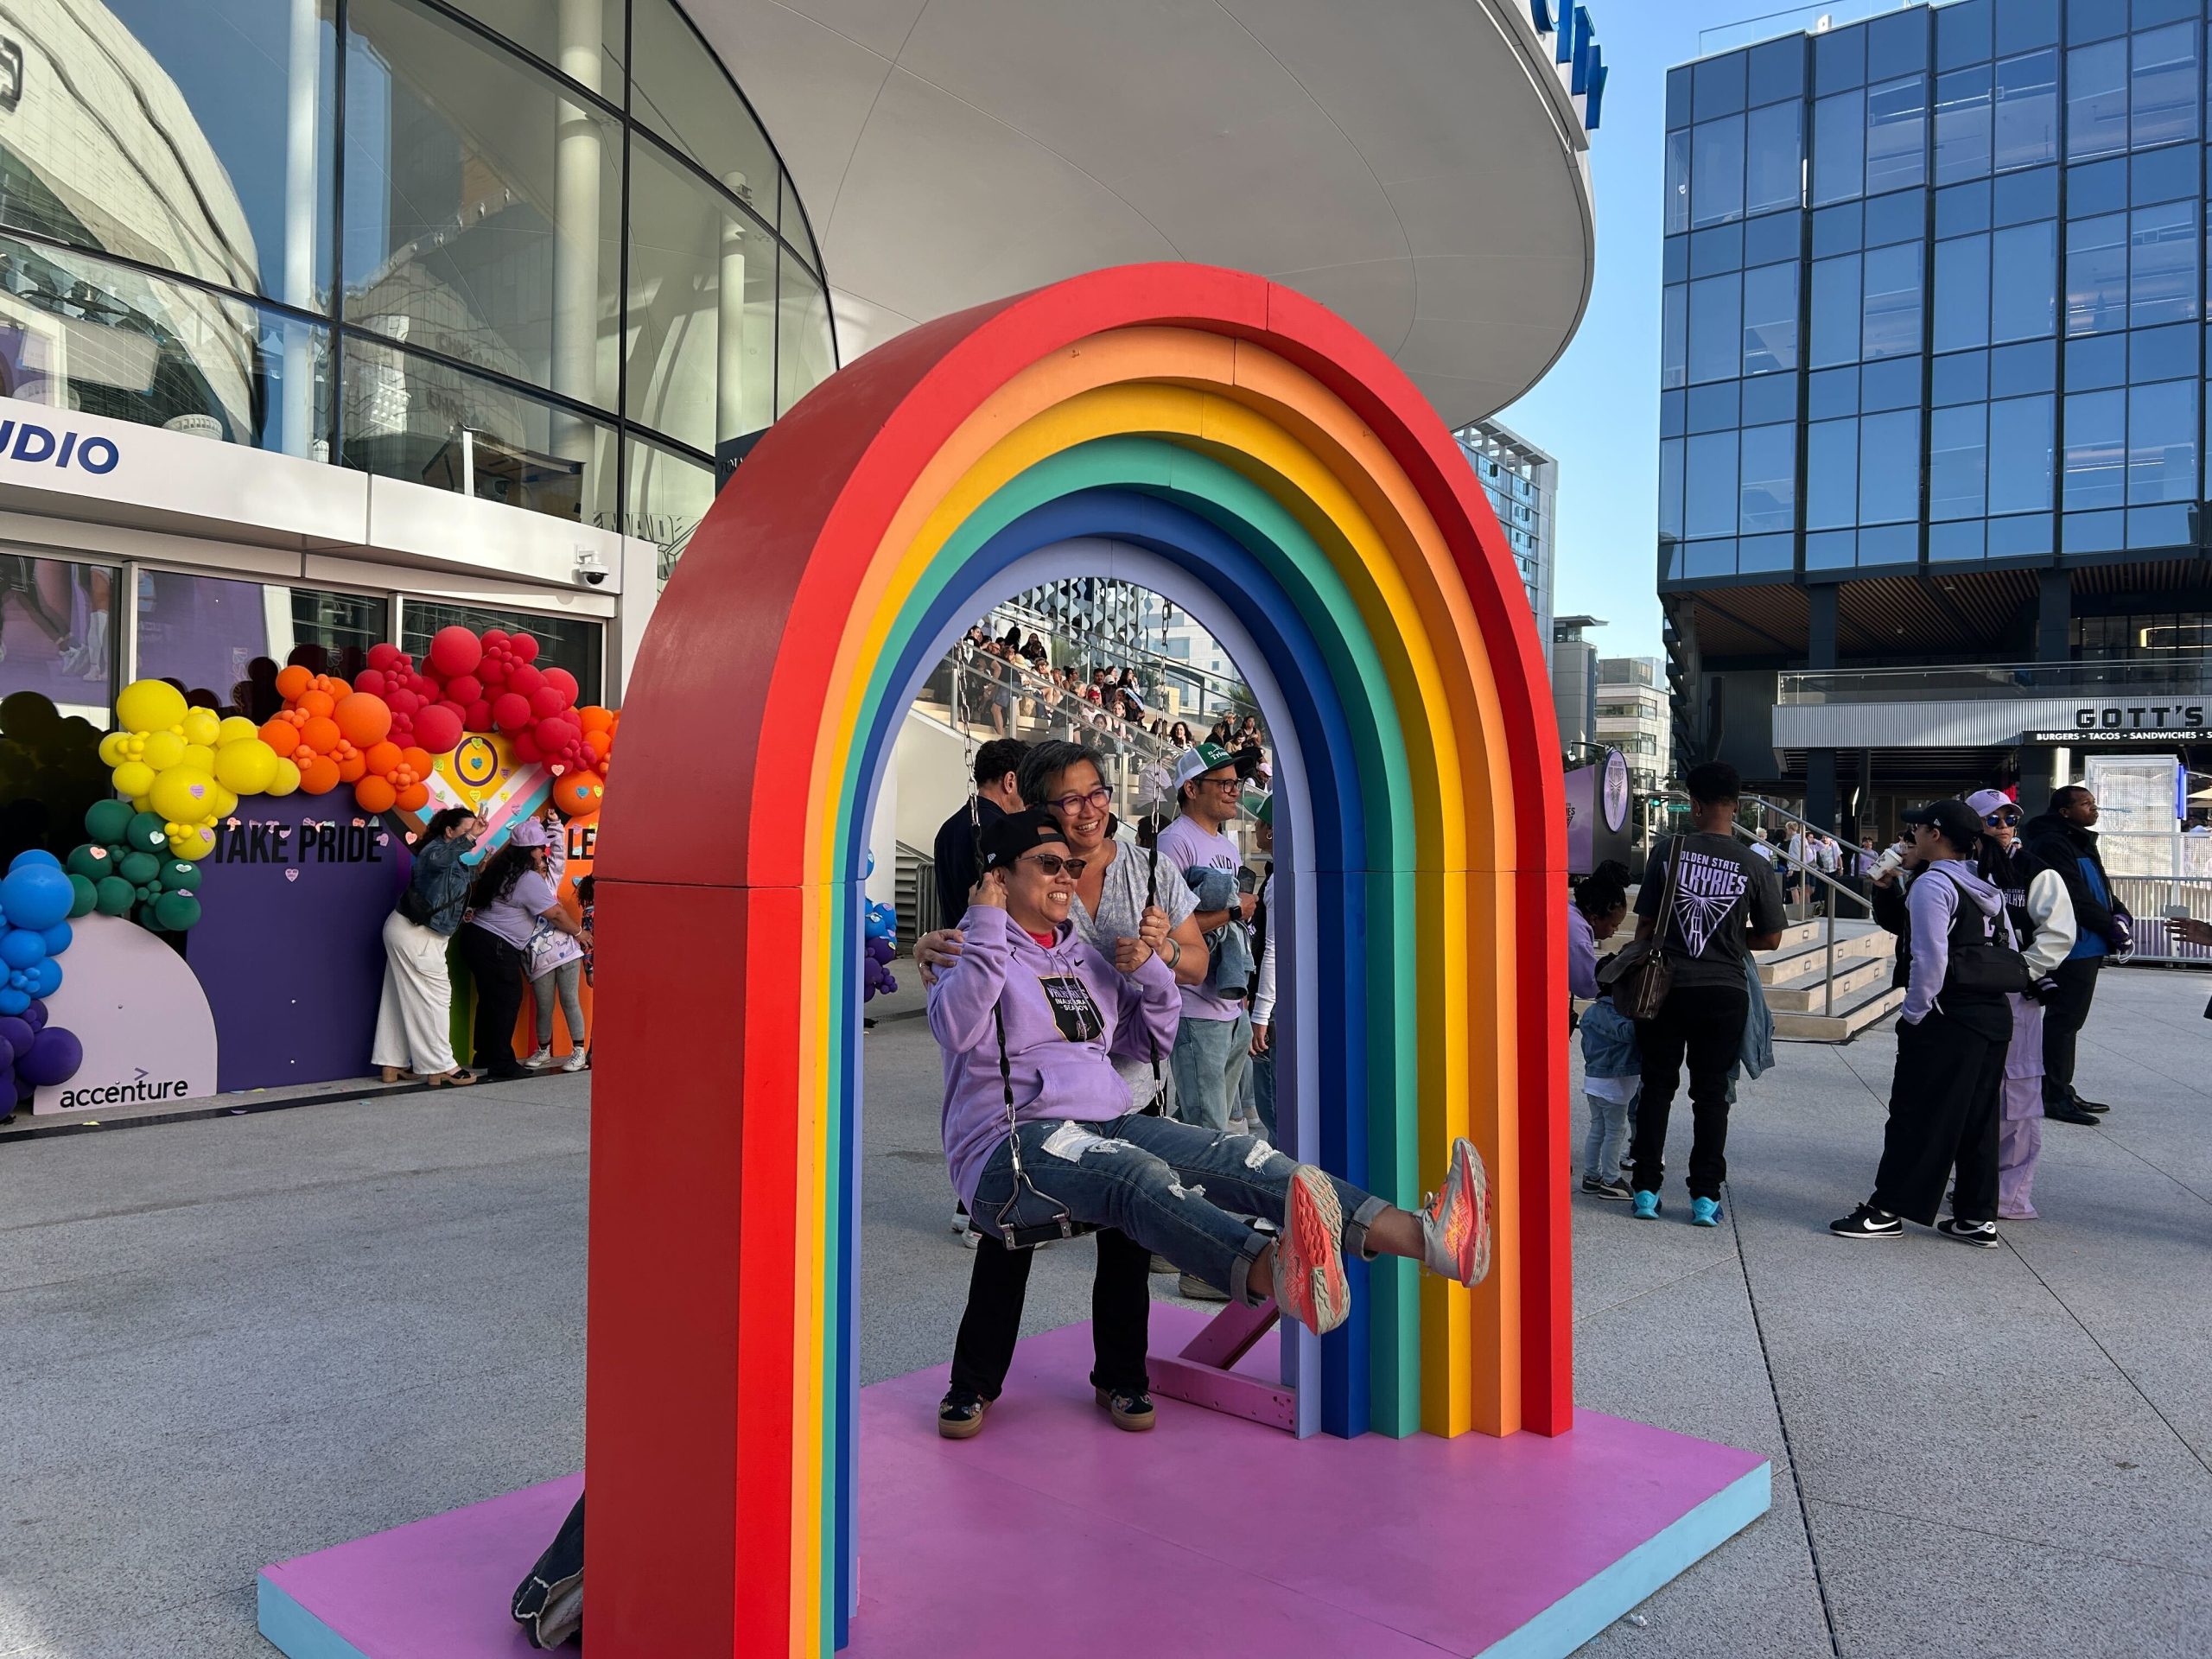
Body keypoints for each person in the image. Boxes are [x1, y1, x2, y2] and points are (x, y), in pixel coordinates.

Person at [926, 807, 1491, 1436]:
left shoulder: (1082, 959)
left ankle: (1430, 1238)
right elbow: (955, 1027)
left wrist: (1149, 973)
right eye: (1050, 866)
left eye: (1074, 866)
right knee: (1137, 1176)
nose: (1066, 877)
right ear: (999, 877)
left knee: (1243, 1156)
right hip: (1011, 1148)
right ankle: (1273, 1272)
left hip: (1104, 1120)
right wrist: (983, 920)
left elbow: (1149, 1041)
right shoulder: (967, 948)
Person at [918, 746, 1214, 1421]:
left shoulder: (1149, 870)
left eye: (1099, 792)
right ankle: (975, 1382)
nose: (1091, 809)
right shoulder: (1025, 864)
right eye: (1071, 799)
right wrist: (932, 947)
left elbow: (1196, 963)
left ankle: (1121, 1375)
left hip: (1124, 1087)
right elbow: (975, 944)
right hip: (1034, 1106)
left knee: (1127, 1241)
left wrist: (1160, 953)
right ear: (1042, 810)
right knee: (1007, 1240)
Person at [1831, 798, 2018, 1245]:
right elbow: (2010, 940)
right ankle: (1976, 1216)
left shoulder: (1935, 884)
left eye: (1917, 830)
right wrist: (1887, 885)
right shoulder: (1980, 881)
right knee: (1977, 1118)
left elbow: (1928, 958)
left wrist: (1914, 1014)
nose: (1909, 836)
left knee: (1916, 1113)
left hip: (1947, 1016)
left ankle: (1887, 1209)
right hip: (1991, 1012)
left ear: (1936, 835)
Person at [1627, 761, 1785, 1226]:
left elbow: (1645, 927)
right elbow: (1774, 938)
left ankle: (1646, 1191)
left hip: (1666, 988)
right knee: (1713, 1095)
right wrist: (1732, 940)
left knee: (1657, 1087)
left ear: (1693, 805)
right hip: (1725, 991)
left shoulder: (1668, 851)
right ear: (1735, 805)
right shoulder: (1755, 864)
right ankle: (1704, 1198)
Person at [1965, 789, 2076, 1219]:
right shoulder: (1958, 869)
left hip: (2015, 992)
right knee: (1971, 1086)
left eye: (2010, 816)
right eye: (1992, 818)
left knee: (2019, 1092)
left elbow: (2058, 934)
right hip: (1968, 992)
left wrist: (2021, 971)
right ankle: (1973, 1178)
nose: (2004, 824)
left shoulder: (2037, 872)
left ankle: (2010, 1194)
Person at [1159, 743, 1255, 1135]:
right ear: (1192, 789)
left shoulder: (1227, 846)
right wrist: (1234, 911)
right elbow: (1166, 927)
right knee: (1208, 1130)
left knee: (1207, 1124)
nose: (1234, 790)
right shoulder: (1174, 841)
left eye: (1237, 783)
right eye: (1224, 783)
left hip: (1230, 1004)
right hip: (1194, 1009)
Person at [2022, 786, 2129, 1124]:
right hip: (2075, 944)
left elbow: (2099, 888)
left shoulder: (2077, 838)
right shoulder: (2054, 842)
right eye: (2086, 804)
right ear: (2065, 811)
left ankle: (2061, 1089)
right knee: (2063, 1022)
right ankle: (2053, 1094)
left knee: (2069, 1023)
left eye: (2094, 803)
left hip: (2089, 942)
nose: (2094, 809)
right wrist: (2110, 926)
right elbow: (2074, 895)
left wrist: (2119, 913)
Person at [459, 820, 581, 1082]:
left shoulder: (502, 870)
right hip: (496, 945)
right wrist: (581, 933)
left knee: (491, 998)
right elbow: (556, 914)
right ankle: (502, 1063)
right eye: (540, 849)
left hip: (475, 940)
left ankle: (486, 1054)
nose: (543, 854)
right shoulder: (526, 878)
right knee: (507, 998)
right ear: (529, 851)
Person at [372, 806, 485, 1086]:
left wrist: (478, 871)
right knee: (435, 1001)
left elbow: (447, 882)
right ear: (449, 831)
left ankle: (392, 1063)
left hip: (412, 933)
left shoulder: (450, 859)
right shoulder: (434, 852)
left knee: (398, 1000)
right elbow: (436, 864)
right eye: (468, 829)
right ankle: (440, 1066)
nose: (476, 833)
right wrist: (468, 839)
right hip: (418, 936)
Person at [1570, 860, 1638, 1198]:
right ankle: (1611, 1179)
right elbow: (1585, 980)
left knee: (1596, 1128)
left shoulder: (1593, 1016)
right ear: (1595, 916)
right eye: (1613, 924)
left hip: (1593, 1080)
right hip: (1614, 1084)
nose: (1613, 931)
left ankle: (1591, 1175)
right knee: (1615, 1130)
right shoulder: (1575, 928)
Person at [524, 805, 589, 1073]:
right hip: (539, 958)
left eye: (543, 865)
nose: (542, 867)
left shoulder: (550, 883)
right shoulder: (519, 888)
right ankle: (543, 1050)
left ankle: (578, 1052)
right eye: (538, 864)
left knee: (570, 1001)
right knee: (544, 1006)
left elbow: (559, 858)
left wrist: (554, 827)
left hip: (568, 953)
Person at [1247, 792, 1279, 1140]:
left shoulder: (1278, 880)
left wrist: (1262, 1014)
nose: (1254, 828)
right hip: (1279, 1003)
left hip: (1273, 1008)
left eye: (1259, 822)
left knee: (1274, 1113)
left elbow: (1273, 949)